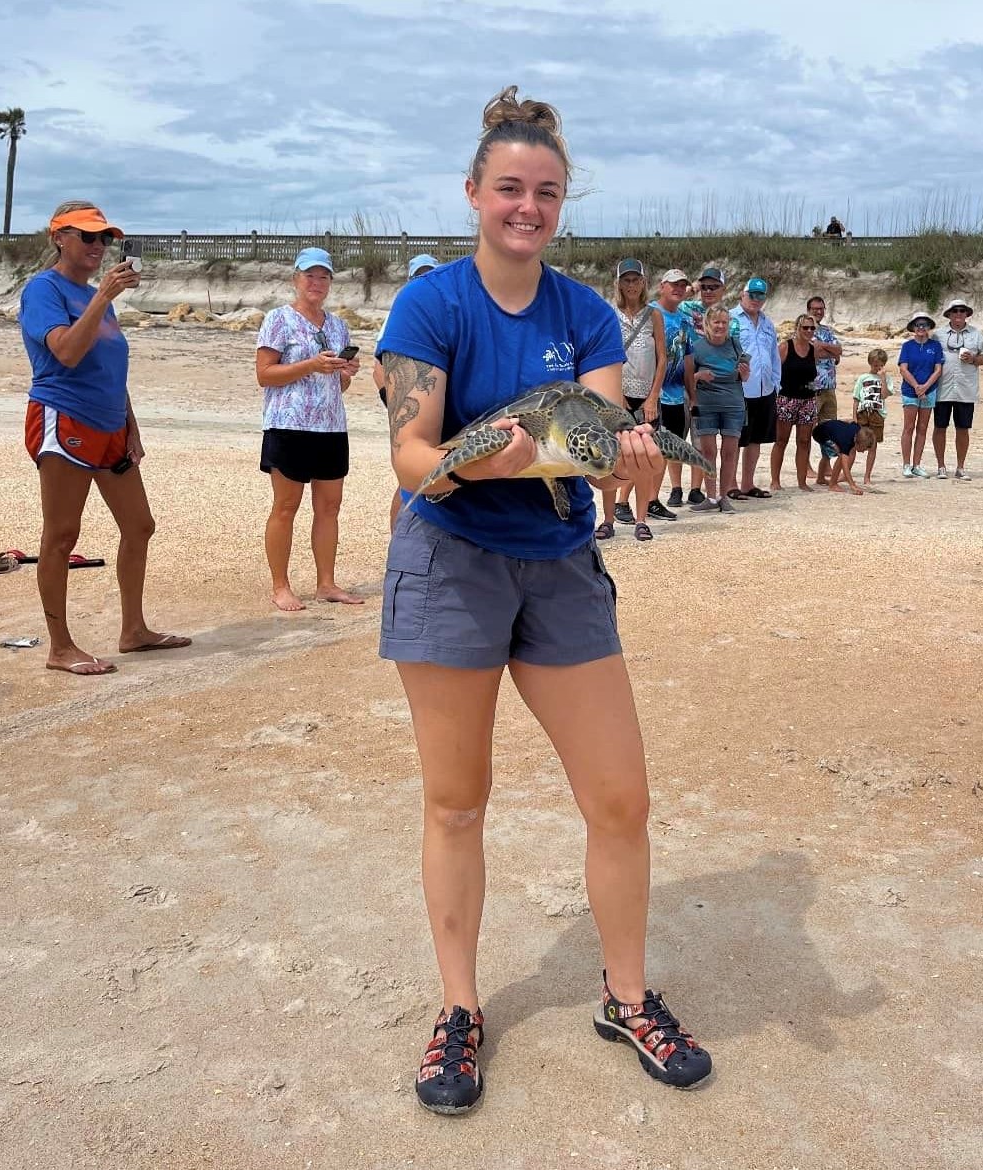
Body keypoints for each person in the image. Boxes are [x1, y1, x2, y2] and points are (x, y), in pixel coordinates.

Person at [376, 85, 711, 1116]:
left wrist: (639, 463)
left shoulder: (586, 312)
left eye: (547, 192)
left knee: (621, 799)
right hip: (452, 561)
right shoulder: (429, 305)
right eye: (509, 189)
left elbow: (604, 450)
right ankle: (461, 1010)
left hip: (561, 565)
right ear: (473, 193)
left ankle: (625, 994)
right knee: (456, 801)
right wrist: (485, 465)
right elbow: (412, 456)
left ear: (563, 204)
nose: (527, 206)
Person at [18, 200, 191, 676]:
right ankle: (60, 647)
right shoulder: (43, 290)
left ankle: (133, 630)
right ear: (59, 237)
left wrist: (130, 423)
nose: (98, 246)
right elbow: (67, 353)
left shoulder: (95, 294)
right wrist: (104, 298)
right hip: (64, 418)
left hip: (110, 424)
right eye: (87, 237)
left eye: (104, 238)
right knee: (61, 534)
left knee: (139, 525)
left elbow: (111, 366)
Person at [256, 247, 363, 611]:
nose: (316, 283)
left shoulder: (337, 325)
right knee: (286, 506)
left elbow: (337, 386)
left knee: (329, 507)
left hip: (331, 426)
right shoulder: (278, 319)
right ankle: (280, 585)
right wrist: (310, 365)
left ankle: (326, 583)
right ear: (295, 279)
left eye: (323, 276)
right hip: (288, 424)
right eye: (309, 275)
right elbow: (264, 375)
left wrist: (343, 374)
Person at [596, 258, 666, 542]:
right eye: (626, 280)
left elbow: (662, 358)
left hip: (646, 396)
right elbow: (605, 356)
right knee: (612, 458)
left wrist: (653, 397)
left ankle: (641, 519)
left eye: (636, 280)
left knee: (644, 458)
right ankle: (609, 519)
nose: (632, 285)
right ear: (618, 284)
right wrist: (615, 394)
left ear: (644, 283)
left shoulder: (654, 315)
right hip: (617, 397)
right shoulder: (610, 314)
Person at [375, 254, 440, 529]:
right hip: (410, 409)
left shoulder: (446, 315)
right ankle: (398, 546)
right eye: (419, 275)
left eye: (430, 274)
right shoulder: (403, 314)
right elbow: (378, 368)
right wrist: (397, 405)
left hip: (439, 411)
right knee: (407, 481)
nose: (424, 280)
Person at [684, 304, 748, 513]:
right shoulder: (696, 347)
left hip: (733, 404)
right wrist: (698, 376)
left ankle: (724, 496)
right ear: (707, 324)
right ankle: (711, 498)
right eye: (716, 322)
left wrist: (744, 372)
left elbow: (744, 377)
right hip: (705, 404)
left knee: (729, 452)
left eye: (724, 322)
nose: (720, 326)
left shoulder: (735, 345)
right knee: (708, 452)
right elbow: (687, 379)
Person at [727, 278, 779, 500]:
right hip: (740, 390)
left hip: (764, 389)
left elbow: (774, 354)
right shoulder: (730, 319)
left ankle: (748, 484)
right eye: (752, 294)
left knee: (756, 439)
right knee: (736, 439)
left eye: (760, 296)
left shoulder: (767, 323)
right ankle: (731, 483)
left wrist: (776, 383)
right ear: (742, 294)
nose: (755, 300)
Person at [651, 269, 696, 513]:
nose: (678, 289)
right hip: (653, 395)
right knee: (651, 451)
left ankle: (652, 500)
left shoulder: (683, 320)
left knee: (670, 449)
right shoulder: (651, 313)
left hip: (677, 395)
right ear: (662, 286)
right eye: (673, 285)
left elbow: (688, 361)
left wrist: (693, 395)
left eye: (682, 285)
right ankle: (631, 502)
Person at [932, 298, 983, 481]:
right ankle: (941, 466)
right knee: (940, 427)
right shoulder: (938, 335)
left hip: (966, 389)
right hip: (943, 388)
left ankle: (960, 467)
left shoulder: (976, 334)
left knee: (962, 428)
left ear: (967, 314)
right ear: (949, 314)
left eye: (962, 311)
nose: (959, 314)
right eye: (955, 310)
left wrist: (973, 359)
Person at [771, 314, 820, 491]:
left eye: (812, 328)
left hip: (807, 400)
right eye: (805, 327)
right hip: (786, 399)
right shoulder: (785, 347)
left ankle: (802, 482)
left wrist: (815, 387)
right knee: (781, 440)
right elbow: (773, 370)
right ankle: (775, 481)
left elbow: (814, 374)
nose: (808, 331)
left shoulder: (813, 349)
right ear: (797, 328)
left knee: (805, 441)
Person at [896, 312, 944, 479]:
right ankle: (906, 464)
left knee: (922, 428)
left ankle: (917, 464)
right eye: (918, 325)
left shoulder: (935, 346)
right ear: (913, 328)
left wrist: (925, 387)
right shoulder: (907, 346)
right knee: (908, 427)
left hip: (929, 391)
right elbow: (903, 369)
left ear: (929, 327)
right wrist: (917, 386)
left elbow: (938, 370)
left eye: (924, 324)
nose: (921, 327)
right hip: (910, 391)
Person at [807, 296, 843, 484]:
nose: (818, 312)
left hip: (829, 386)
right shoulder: (805, 330)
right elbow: (813, 352)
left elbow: (838, 351)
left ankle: (825, 464)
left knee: (829, 429)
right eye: (815, 308)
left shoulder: (827, 331)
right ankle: (806, 466)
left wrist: (827, 348)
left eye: (821, 308)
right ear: (808, 310)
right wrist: (828, 351)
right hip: (812, 386)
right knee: (807, 429)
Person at [852, 347, 892, 485]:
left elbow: (885, 395)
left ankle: (867, 476)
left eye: (880, 365)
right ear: (870, 363)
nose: (877, 367)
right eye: (875, 365)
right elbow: (856, 398)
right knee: (855, 443)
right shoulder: (863, 378)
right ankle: (846, 473)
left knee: (873, 446)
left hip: (877, 414)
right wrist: (854, 416)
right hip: (863, 413)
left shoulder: (886, 378)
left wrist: (883, 379)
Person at [811, 419, 874, 494]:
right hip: (821, 434)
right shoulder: (846, 442)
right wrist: (852, 485)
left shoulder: (858, 430)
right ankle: (833, 484)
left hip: (824, 428)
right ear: (857, 442)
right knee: (840, 457)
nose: (863, 452)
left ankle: (820, 479)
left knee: (826, 455)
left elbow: (851, 422)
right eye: (863, 449)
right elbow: (845, 467)